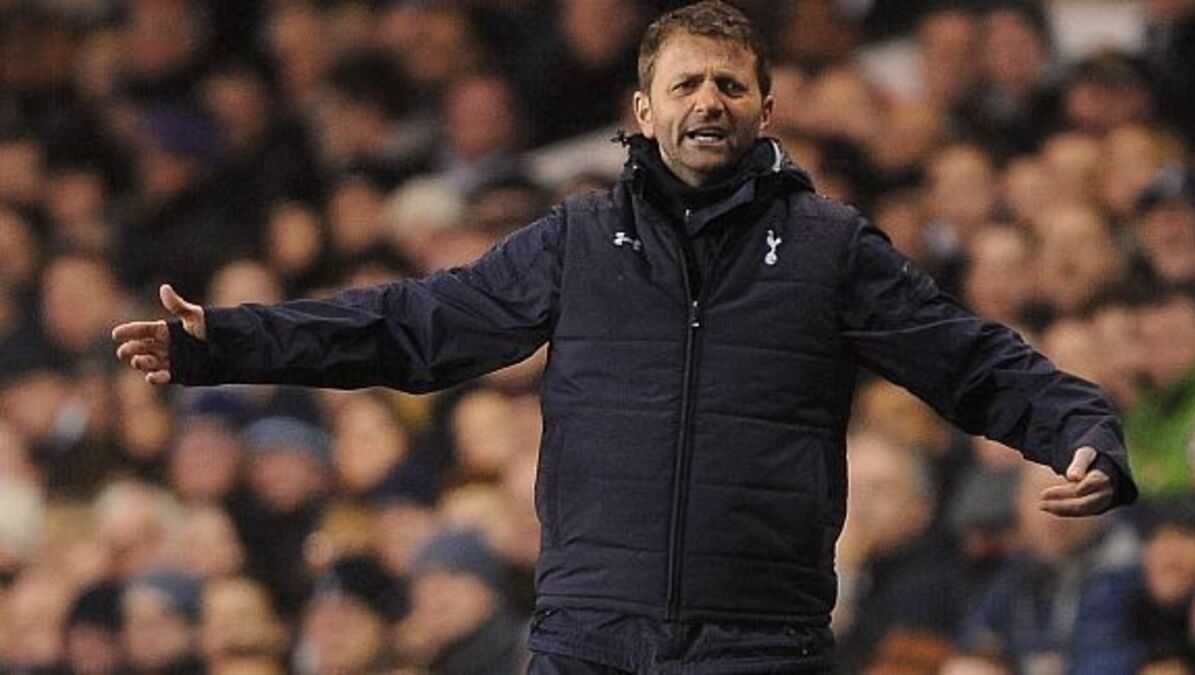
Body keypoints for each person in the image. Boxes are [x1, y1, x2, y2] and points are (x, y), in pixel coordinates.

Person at [114, 2, 1138, 671]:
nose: (709, 102)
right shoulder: (574, 239)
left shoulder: (831, 248)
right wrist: (225, 343)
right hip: (587, 638)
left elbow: (966, 357)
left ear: (766, 106)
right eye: (687, 84)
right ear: (643, 109)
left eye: (730, 84)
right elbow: (414, 327)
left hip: (760, 642)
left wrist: (1078, 425)